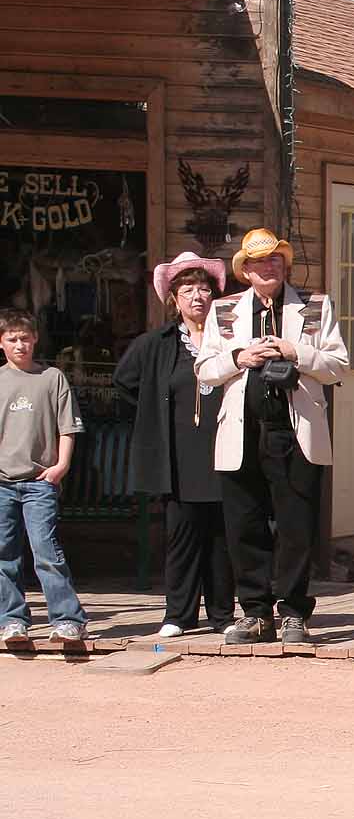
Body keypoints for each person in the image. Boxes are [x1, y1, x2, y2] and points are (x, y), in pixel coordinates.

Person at [196, 229, 348, 646]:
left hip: (296, 431)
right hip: (243, 430)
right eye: (260, 262)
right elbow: (205, 370)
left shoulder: (315, 307)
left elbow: (338, 366)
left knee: (297, 525)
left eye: (275, 261)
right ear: (245, 270)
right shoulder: (224, 310)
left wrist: (294, 352)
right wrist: (238, 357)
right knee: (244, 523)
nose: (269, 267)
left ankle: (295, 612)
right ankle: (256, 613)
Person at [112, 252, 235, 638]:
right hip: (178, 453)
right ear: (174, 299)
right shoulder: (157, 343)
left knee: (222, 536)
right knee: (182, 535)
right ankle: (178, 616)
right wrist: (152, 410)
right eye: (187, 289)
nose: (197, 296)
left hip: (225, 447)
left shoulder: (231, 337)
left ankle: (222, 615)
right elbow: (125, 380)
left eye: (203, 288)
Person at [0, 309, 87, 645]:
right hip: (4, 480)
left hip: (39, 481)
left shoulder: (52, 378)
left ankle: (68, 619)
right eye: (12, 339)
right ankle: (12, 619)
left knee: (45, 550)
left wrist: (61, 465)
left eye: (25, 338)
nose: (20, 345)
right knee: (5, 553)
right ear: (2, 343)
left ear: (35, 339)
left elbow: (67, 427)